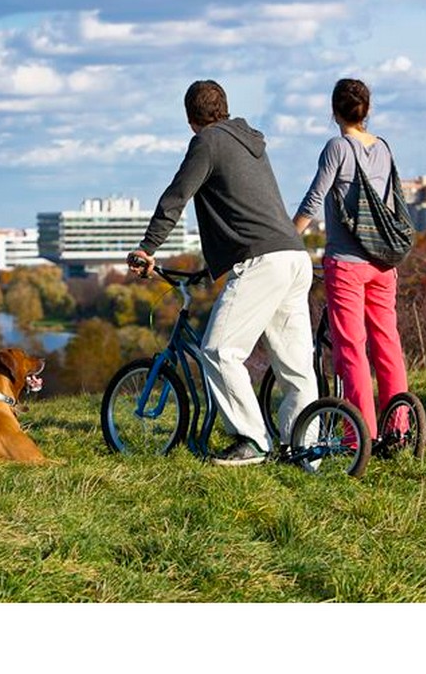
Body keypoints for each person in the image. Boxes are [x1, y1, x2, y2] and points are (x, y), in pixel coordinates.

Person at [128, 79, 317, 466]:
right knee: (295, 365)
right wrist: (210, 266)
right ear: (224, 108)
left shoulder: (207, 142)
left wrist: (147, 247)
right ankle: (305, 450)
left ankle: (252, 440)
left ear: (190, 118)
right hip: (294, 257)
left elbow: (176, 196)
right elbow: (243, 210)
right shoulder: (251, 143)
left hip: (263, 262)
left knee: (218, 350)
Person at [293, 77, 409, 441]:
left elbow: (314, 199)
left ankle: (360, 436)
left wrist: (288, 237)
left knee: (351, 350)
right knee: (387, 344)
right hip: (383, 262)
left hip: (346, 264)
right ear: (367, 110)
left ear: (334, 111)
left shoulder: (337, 148)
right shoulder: (383, 148)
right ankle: (399, 429)